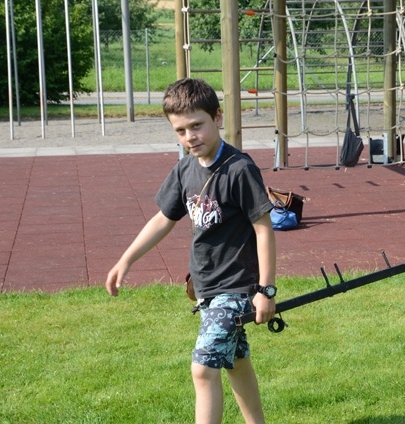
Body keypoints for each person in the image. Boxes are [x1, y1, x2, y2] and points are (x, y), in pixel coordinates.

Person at [105, 78, 277, 423]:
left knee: (203, 368)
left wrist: (266, 290)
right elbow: (163, 219)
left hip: (237, 287)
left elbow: (264, 229)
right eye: (180, 131)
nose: (190, 137)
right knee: (236, 361)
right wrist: (126, 260)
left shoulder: (239, 169)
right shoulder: (185, 169)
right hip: (206, 287)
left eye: (197, 126)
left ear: (218, 117)